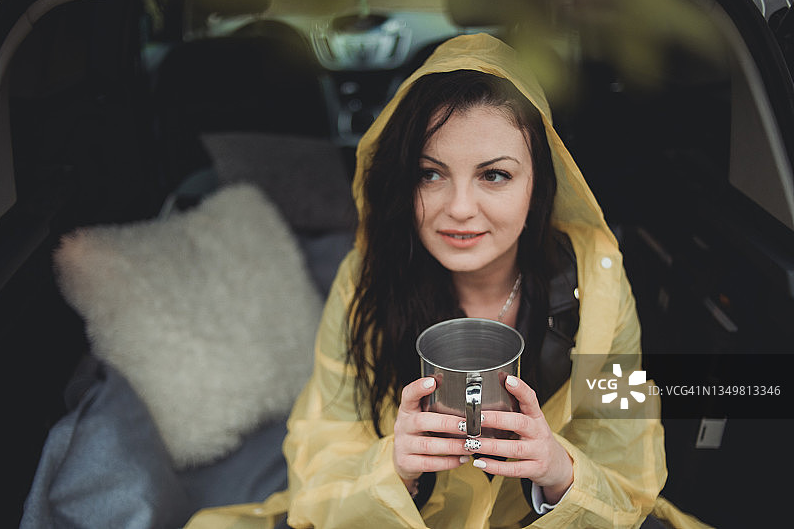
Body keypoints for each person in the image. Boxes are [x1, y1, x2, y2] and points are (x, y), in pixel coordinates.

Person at [185, 33, 711, 529]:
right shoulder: (366, 278)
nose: (459, 208)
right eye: (430, 173)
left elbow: (625, 451)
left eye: (494, 175)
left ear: (539, 184)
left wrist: (556, 471)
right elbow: (321, 449)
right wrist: (395, 468)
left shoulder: (595, 282)